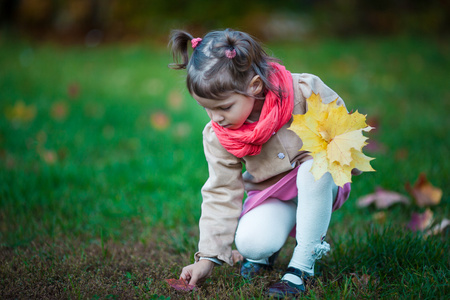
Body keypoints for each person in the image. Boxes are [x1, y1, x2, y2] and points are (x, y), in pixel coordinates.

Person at [168, 28, 352, 298]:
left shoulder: (303, 92)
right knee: (252, 245)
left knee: (314, 167)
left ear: (254, 86)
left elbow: (344, 132)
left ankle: (302, 267)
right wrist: (207, 257)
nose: (215, 117)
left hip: (320, 182)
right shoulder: (218, 134)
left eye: (224, 107)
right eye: (206, 108)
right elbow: (221, 191)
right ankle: (267, 251)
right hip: (273, 195)